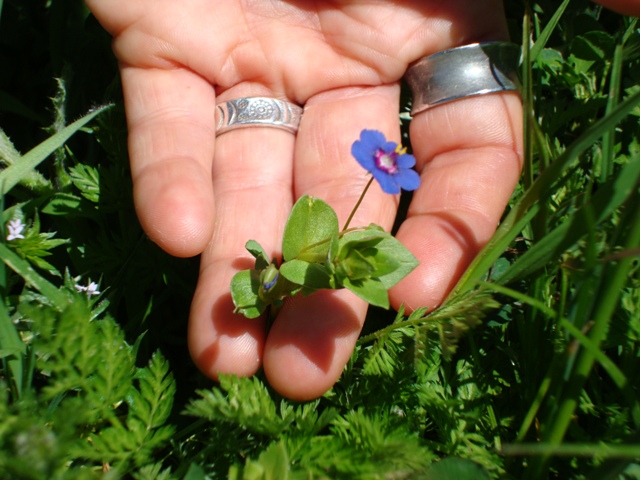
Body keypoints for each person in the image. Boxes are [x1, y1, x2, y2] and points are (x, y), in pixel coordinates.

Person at [84, 0, 640, 401]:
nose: (391, 163)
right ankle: (272, 292)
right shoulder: (377, 159)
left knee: (388, 248)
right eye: (389, 160)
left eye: (393, 164)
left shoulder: (389, 171)